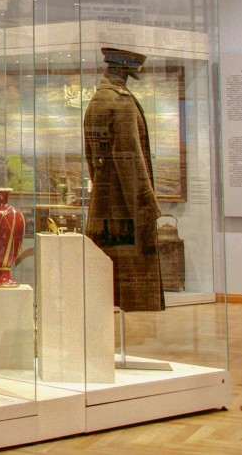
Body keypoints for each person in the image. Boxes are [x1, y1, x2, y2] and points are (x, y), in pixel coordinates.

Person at [83, 47, 165, 311]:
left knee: (105, 284)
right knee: (130, 288)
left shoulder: (98, 99)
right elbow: (131, 161)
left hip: (104, 204)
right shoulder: (121, 102)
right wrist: (146, 206)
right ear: (126, 67)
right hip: (125, 209)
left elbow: (91, 157)